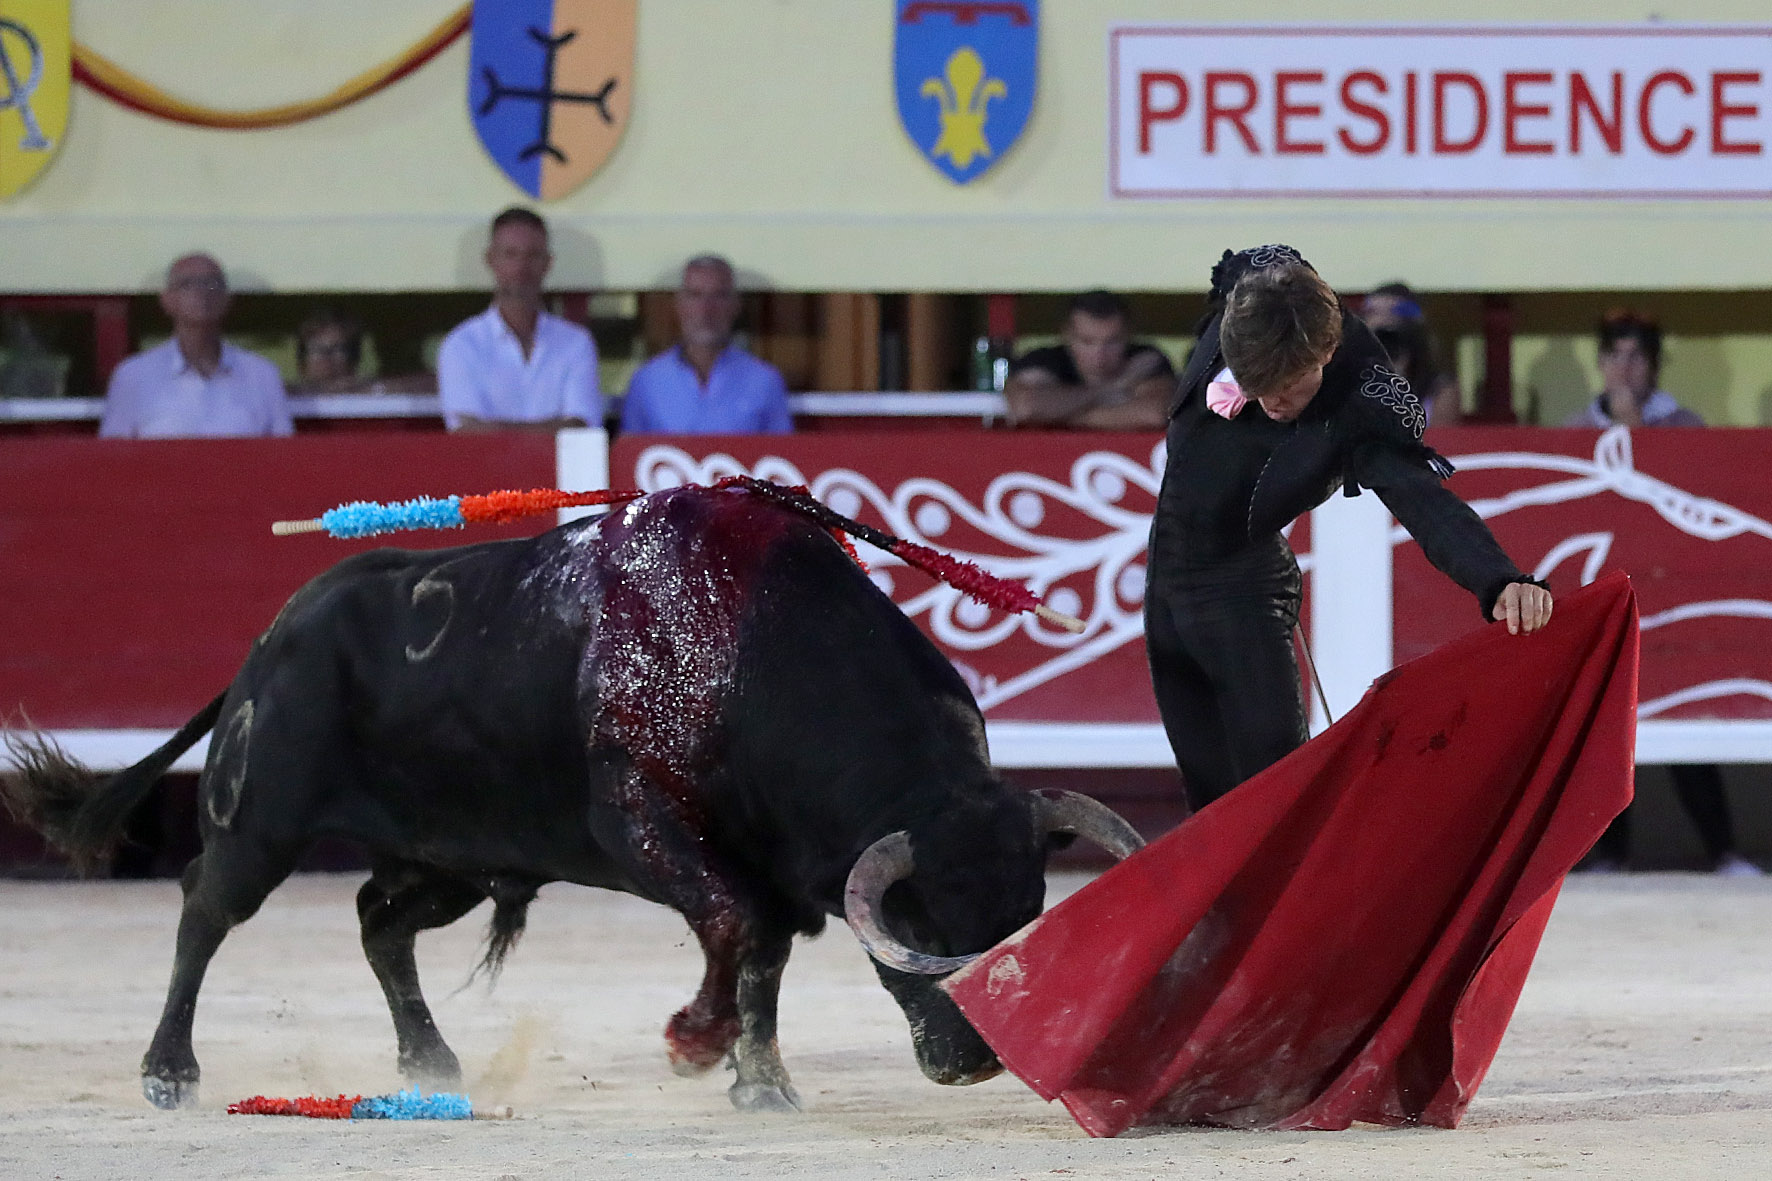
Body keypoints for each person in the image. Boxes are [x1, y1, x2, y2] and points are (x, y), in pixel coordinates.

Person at [1146, 245, 1553, 812]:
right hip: (1165, 579)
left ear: (1327, 352)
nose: (1272, 401)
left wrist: (1498, 578)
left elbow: (1421, 499)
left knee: (1277, 792)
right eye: (1258, 385)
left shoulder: (1362, 399)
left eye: (1290, 385)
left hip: (1241, 590)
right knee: (1210, 796)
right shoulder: (1254, 292)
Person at [1565, 310, 1761, 876]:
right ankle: (1610, 853)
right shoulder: (1574, 429)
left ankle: (1722, 848)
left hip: (1668, 597)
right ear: (1601, 364)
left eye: (1636, 357)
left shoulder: (1685, 425)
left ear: (1653, 366)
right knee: (1609, 729)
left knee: (1685, 720)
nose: (1625, 369)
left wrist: (1635, 432)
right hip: (1606, 593)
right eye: (1615, 356)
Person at [436, 207, 601, 432]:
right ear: (490, 260)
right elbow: (466, 432)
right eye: (510, 254)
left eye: (532, 255)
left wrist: (494, 430)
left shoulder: (575, 343)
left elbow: (581, 428)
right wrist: (552, 430)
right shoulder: (462, 345)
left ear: (548, 263)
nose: (521, 267)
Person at [98, 253, 293, 439]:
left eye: (212, 284)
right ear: (166, 300)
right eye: (187, 284)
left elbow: (283, 453)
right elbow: (114, 455)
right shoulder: (133, 375)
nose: (201, 292)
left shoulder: (262, 375)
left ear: (227, 299)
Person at [619, 254, 792, 434]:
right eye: (695, 295)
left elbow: (782, 450)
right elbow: (631, 449)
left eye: (719, 296)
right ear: (679, 304)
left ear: (735, 305)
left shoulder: (765, 381)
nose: (706, 309)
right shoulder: (647, 381)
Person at [1003, 290, 1174, 430]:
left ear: (1128, 336)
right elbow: (1025, 409)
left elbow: (1154, 415)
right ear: (1067, 335)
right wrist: (1112, 389)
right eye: (1087, 341)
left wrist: (1055, 417)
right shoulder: (1044, 360)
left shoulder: (1145, 359)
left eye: (1112, 342)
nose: (1099, 354)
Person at [1361, 282, 1463, 427]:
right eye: (1372, 312)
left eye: (1393, 312)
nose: (1381, 321)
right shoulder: (1350, 381)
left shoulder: (1440, 388)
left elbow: (1443, 437)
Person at [291, 308, 435, 395]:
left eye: (338, 349)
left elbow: (431, 382)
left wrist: (364, 388)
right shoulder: (292, 394)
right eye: (317, 350)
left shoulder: (369, 389)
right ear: (302, 360)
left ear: (353, 357)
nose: (327, 358)